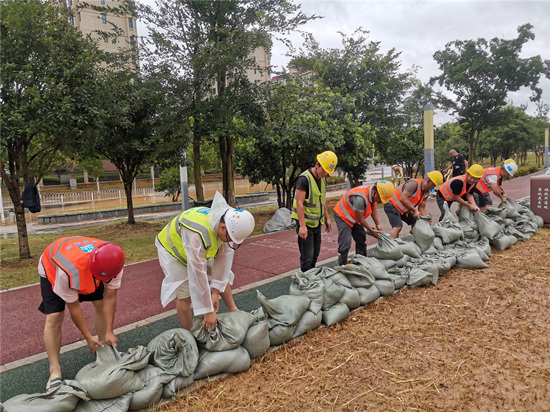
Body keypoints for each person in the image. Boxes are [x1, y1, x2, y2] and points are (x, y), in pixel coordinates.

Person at [156, 192, 255, 331]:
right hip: (173, 252)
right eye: (231, 238)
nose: (231, 242)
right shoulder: (198, 234)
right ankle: (189, 335)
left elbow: (223, 263)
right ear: (222, 228)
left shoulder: (225, 224)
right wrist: (208, 311)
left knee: (221, 275)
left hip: (195, 251)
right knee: (184, 294)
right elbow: (197, 274)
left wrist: (214, 292)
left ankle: (233, 310)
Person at [38, 237, 125, 392]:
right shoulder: (68, 271)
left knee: (100, 303)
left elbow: (110, 297)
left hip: (86, 264)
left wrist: (109, 331)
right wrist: (87, 337)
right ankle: (54, 370)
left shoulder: (115, 260)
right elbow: (74, 307)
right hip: (53, 267)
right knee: (55, 316)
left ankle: (104, 349)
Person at [291, 150, 338, 272]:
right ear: (317, 164)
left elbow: (322, 200)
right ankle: (306, 283)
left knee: (315, 254)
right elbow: (299, 203)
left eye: (328, 173)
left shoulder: (322, 178)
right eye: (324, 171)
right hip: (305, 223)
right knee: (307, 257)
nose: (325, 174)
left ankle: (311, 279)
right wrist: (302, 226)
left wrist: (327, 218)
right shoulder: (304, 179)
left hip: (316, 223)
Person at [333, 180, 395, 265]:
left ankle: (361, 262)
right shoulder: (360, 199)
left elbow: (373, 208)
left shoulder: (373, 194)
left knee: (361, 237)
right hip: (343, 216)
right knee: (345, 242)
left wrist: (378, 224)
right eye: (380, 199)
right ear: (375, 193)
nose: (380, 201)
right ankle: (342, 265)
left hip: (354, 216)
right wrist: (371, 230)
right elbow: (360, 219)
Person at [384, 171, 444, 239]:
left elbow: (422, 208)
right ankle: (390, 245)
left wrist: (426, 219)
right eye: (433, 185)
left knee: (416, 222)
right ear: (428, 181)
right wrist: (414, 210)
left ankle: (416, 240)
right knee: (397, 227)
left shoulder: (426, 193)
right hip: (392, 205)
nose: (432, 188)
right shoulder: (414, 184)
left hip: (404, 209)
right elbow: (403, 199)